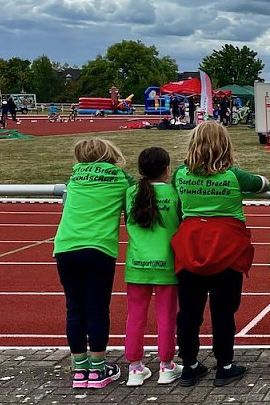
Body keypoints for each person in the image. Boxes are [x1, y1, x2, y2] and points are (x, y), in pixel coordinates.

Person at [171, 122, 268, 387]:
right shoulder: (234, 176)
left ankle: (189, 365)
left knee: (189, 311)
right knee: (224, 310)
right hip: (227, 248)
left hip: (190, 246)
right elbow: (261, 183)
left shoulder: (180, 174)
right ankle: (225, 364)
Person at [54, 138, 134, 389]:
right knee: (97, 308)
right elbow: (137, 195)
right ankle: (98, 369)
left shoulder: (74, 177)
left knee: (74, 308)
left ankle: (80, 369)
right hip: (99, 247)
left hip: (65, 246)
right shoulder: (120, 178)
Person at [124, 147, 182, 386]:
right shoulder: (174, 194)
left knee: (135, 317)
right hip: (166, 263)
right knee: (166, 317)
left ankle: (134, 367)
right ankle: (166, 365)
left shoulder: (130, 193)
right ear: (167, 169)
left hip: (137, 264)